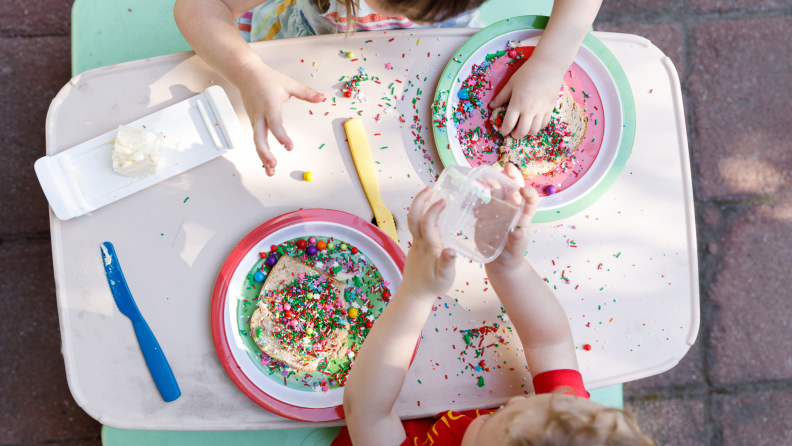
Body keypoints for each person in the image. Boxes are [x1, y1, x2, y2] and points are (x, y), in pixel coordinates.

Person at [335, 163, 656, 445]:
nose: (516, 400)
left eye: (497, 419)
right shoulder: (562, 425)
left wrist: (416, 292)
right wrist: (507, 266)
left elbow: (365, 412)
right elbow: (550, 342)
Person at [175, 0, 603, 176]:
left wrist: (549, 64)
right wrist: (250, 73)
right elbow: (198, 7)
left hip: (422, 68)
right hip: (300, 54)